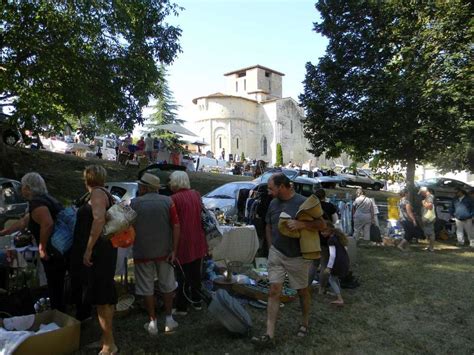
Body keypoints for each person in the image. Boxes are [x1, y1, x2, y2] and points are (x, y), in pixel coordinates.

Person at [251, 173, 326, 348]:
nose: (269, 192)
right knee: (274, 290)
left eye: (271, 188)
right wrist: (271, 247)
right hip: (277, 253)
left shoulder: (303, 202)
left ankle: (305, 322)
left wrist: (303, 225)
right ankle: (269, 335)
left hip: (297, 256)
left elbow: (322, 225)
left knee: (302, 292)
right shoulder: (273, 203)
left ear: (282, 186)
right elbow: (268, 225)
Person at [0, 173, 68, 312]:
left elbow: (47, 224)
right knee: (57, 284)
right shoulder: (45, 199)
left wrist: (42, 248)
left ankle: (58, 316)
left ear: (29, 188)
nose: (21, 189)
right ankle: (59, 312)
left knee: (55, 284)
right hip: (61, 249)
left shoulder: (38, 203)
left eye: (23, 186)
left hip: (54, 250)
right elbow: (24, 221)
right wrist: (4, 232)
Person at [69, 165, 117, 355]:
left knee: (101, 297)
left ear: (87, 178)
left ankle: (109, 344)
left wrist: (88, 249)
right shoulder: (105, 193)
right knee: (102, 295)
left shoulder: (97, 193)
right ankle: (105, 338)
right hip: (104, 250)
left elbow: (98, 220)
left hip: (99, 252)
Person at [130, 173, 180, 335]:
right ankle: (169, 319)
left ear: (144, 187)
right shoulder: (168, 201)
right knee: (167, 285)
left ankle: (152, 322)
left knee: (146, 287)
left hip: (143, 251)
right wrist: (174, 249)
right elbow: (176, 226)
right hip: (165, 251)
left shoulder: (134, 203)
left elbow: (128, 226)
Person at [169, 171, 207, 315]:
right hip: (198, 238)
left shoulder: (173, 199)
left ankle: (181, 307)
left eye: (170, 180)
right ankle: (197, 301)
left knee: (181, 275)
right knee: (196, 274)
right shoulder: (196, 194)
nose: (169, 183)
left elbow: (173, 223)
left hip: (183, 241)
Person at [308, 188, 338, 287]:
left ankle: (307, 286)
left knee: (313, 264)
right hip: (325, 238)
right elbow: (334, 221)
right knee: (324, 263)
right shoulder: (330, 206)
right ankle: (321, 288)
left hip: (314, 237)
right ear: (324, 197)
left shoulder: (311, 207)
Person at [320, 222, 349, 306]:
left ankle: (340, 299)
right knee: (335, 278)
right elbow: (345, 248)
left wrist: (329, 267)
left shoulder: (330, 240)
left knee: (331, 279)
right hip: (344, 260)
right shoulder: (338, 237)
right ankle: (337, 292)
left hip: (337, 262)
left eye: (323, 231)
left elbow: (332, 255)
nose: (322, 234)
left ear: (329, 231)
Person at [419, 186, 436, 252]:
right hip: (426, 217)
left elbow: (430, 206)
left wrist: (423, 203)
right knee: (427, 233)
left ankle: (431, 248)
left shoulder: (429, 197)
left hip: (429, 218)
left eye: (421, 193)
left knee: (430, 233)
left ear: (424, 191)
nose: (421, 194)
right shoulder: (428, 197)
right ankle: (429, 246)